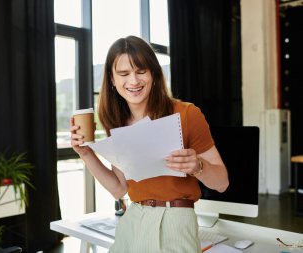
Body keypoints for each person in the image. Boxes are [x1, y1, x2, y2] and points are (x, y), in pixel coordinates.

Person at [70, 35, 229, 253]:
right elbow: (119, 188)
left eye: (141, 71)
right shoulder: (117, 123)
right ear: (112, 79)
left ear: (153, 74)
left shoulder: (187, 114)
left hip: (176, 221)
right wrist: (87, 154)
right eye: (124, 74)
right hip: (134, 219)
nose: (133, 81)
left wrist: (197, 166)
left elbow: (222, 183)